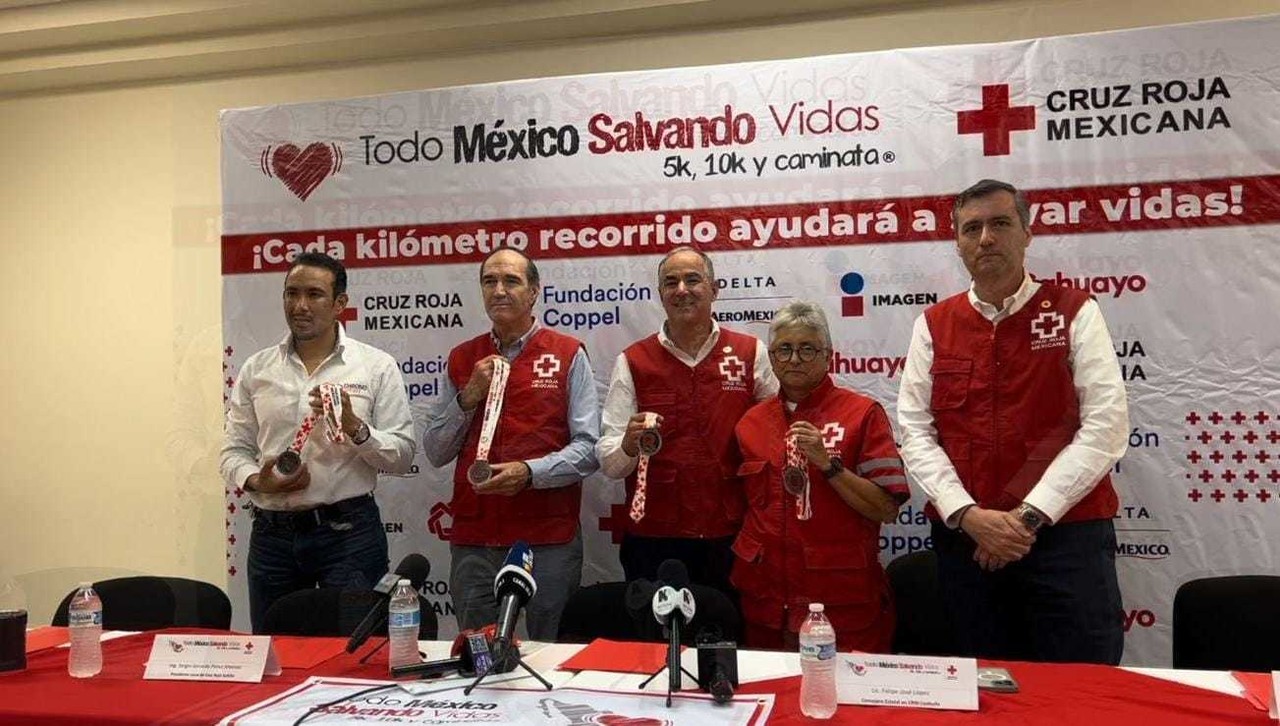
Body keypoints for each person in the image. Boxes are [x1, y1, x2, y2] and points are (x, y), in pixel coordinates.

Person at [897, 179, 1129, 664]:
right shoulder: (933, 325)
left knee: (1082, 689)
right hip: (968, 543)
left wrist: (1024, 519)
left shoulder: (1075, 312)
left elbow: (1105, 427)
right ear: (957, 242)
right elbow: (915, 432)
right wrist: (969, 516)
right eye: (972, 228)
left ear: (1027, 232)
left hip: (1066, 541)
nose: (986, 239)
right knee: (986, 692)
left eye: (1000, 224)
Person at [220, 252, 417, 632]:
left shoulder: (375, 366)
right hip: (272, 536)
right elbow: (233, 450)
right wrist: (257, 481)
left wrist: (357, 428)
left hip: (348, 534)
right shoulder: (257, 369)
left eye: (314, 294)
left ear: (340, 303)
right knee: (276, 652)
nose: (300, 306)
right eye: (291, 293)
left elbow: (401, 455)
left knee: (352, 653)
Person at [423, 248, 599, 640]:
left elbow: (589, 448)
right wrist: (467, 397)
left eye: (511, 281)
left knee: (548, 650)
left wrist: (529, 473)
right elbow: (435, 451)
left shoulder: (568, 353)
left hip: (546, 537)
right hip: (475, 536)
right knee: (476, 652)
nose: (499, 290)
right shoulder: (463, 357)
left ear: (534, 291)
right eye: (490, 281)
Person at [597, 248, 777, 595]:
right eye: (670, 282)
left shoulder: (750, 353)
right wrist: (627, 445)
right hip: (654, 539)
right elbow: (609, 462)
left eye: (693, 279)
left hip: (733, 534)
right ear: (660, 295)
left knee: (728, 641)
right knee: (654, 645)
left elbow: (776, 437)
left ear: (715, 289)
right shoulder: (634, 360)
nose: (681, 289)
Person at [732, 301, 907, 651]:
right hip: (767, 607)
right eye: (784, 349)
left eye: (807, 349)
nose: (794, 359)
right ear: (772, 357)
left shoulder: (863, 414)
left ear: (828, 355)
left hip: (839, 606)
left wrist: (829, 465)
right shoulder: (749, 424)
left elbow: (887, 508)